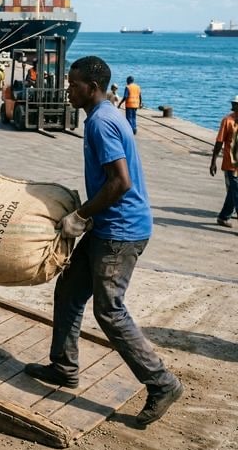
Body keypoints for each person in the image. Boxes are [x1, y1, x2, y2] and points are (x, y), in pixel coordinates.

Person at [25, 55, 183, 426]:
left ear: (92, 88)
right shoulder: (103, 115)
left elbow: (120, 182)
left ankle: (161, 383)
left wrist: (80, 216)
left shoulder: (101, 124)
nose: (68, 90)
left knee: (108, 310)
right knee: (68, 291)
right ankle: (63, 366)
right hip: (106, 227)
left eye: (73, 84)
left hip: (120, 232)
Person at [209, 95, 238, 228]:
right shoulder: (227, 120)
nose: (233, 106)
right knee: (236, 191)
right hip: (231, 163)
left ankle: (223, 217)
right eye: (233, 104)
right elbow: (219, 141)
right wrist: (213, 161)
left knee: (233, 191)